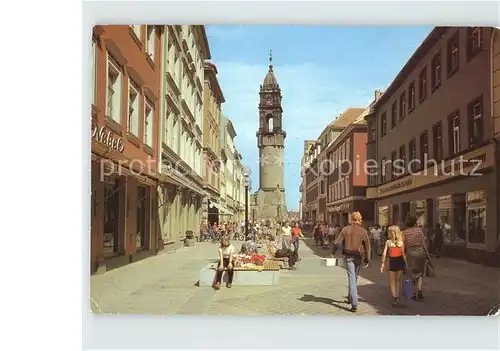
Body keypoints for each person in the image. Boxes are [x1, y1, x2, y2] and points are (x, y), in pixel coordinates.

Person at [333, 212, 371, 313]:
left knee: (351, 278)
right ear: (359, 220)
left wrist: (333, 252)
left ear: (352, 219)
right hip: (358, 256)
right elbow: (367, 246)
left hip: (349, 256)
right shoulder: (363, 231)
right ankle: (352, 298)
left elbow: (337, 242)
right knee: (354, 278)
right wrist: (367, 259)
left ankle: (353, 302)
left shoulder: (346, 229)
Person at [402, 214, 429, 301]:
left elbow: (404, 245)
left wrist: (404, 255)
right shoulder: (419, 230)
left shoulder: (405, 232)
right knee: (420, 272)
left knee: (410, 273)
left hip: (410, 253)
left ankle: (412, 293)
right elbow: (423, 243)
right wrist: (427, 253)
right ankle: (419, 289)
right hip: (420, 252)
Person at [380, 225, 408, 307]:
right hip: (400, 262)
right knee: (398, 281)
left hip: (392, 262)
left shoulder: (388, 242)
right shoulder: (401, 242)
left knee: (392, 282)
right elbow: (403, 254)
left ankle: (395, 297)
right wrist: (406, 264)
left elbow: (384, 253)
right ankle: (397, 296)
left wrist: (382, 263)